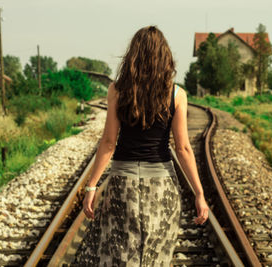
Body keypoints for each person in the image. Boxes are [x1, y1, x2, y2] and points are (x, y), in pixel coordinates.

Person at [82, 25, 209, 266]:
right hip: (162, 186)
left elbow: (109, 143)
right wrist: (199, 194)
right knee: (155, 257)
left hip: (122, 185)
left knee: (118, 255)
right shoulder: (176, 95)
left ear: (133, 56)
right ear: (165, 58)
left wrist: (92, 187)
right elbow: (182, 149)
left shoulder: (117, 91)